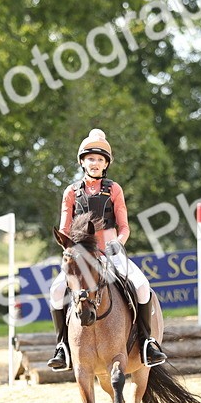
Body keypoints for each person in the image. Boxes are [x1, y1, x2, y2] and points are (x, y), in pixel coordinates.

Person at [47, 128, 167, 371]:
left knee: (142, 286)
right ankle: (62, 346)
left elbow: (124, 227)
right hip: (82, 257)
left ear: (106, 164)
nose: (95, 163)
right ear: (82, 162)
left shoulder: (114, 189)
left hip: (111, 252)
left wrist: (118, 242)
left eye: (100, 159)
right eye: (90, 158)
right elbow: (64, 228)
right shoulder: (71, 192)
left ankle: (148, 343)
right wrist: (71, 249)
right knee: (56, 291)